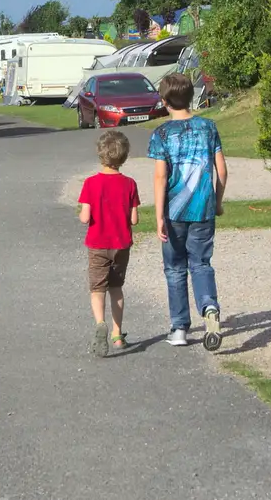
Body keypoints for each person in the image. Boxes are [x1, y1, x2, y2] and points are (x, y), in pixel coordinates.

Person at [147, 71, 226, 347]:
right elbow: (222, 170)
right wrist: (217, 201)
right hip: (203, 208)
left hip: (174, 212)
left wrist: (158, 216)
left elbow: (160, 176)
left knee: (175, 268)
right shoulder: (208, 127)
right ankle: (209, 307)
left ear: (165, 101)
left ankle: (179, 328)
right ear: (191, 96)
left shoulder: (162, 134)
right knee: (201, 263)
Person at [77, 129, 140, 356]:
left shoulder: (91, 184)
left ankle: (99, 324)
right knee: (116, 289)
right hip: (121, 244)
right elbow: (134, 218)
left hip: (97, 243)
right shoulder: (130, 184)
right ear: (123, 157)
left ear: (100, 154)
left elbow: (85, 217)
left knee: (97, 288)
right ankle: (116, 333)